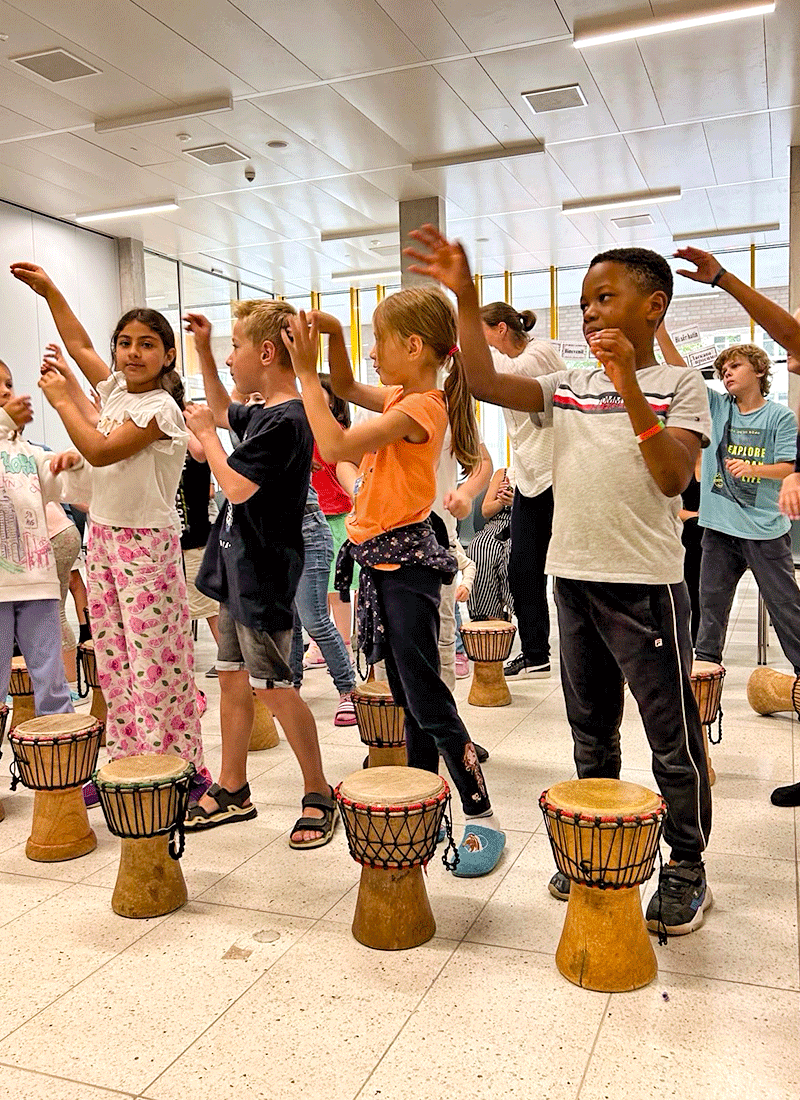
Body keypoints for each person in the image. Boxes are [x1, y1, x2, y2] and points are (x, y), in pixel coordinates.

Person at [406, 227, 713, 933]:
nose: (591, 313)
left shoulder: (679, 384)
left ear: (654, 307)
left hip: (648, 586)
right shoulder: (566, 384)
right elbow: (482, 382)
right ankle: (597, 844)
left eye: (606, 298)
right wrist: (466, 295)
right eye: (583, 303)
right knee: (590, 732)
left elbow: (672, 474)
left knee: (672, 737)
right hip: (572, 579)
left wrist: (631, 382)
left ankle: (688, 865)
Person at [282, 291, 505, 877]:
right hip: (386, 567)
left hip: (406, 572)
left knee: (429, 698)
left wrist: (304, 374)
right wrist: (330, 333)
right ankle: (424, 797)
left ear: (413, 347)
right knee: (409, 698)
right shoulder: (406, 394)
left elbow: (331, 445)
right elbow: (350, 387)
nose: (372, 351)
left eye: (379, 339)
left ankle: (481, 812)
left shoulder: (421, 410)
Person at [10, 262, 209, 798]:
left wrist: (62, 403)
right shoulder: (119, 391)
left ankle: (183, 767)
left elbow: (101, 448)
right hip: (102, 538)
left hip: (146, 543)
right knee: (115, 660)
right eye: (124, 343)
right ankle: (125, 761)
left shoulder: (161, 408)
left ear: (168, 355)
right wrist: (51, 290)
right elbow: (78, 345)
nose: (132, 353)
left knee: (157, 665)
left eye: (147, 344)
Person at [181, 306, 336, 848]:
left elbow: (237, 486)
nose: (230, 356)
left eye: (236, 346)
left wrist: (206, 435)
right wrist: (201, 351)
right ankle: (233, 787)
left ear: (266, 353)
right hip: (235, 567)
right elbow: (224, 409)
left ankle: (318, 791)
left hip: (264, 575)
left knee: (275, 686)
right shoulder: (266, 411)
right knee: (229, 676)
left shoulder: (289, 420)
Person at [481, 303, 564, 678]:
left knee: (569, 575)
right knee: (522, 570)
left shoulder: (540, 352)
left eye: (479, 332)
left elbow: (498, 380)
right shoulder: (504, 364)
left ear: (500, 329)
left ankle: (601, 653)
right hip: (530, 480)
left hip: (560, 477)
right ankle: (536, 655)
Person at [0, 357, 80, 722]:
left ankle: (61, 758)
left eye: (8, 384)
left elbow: (50, 483)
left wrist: (65, 463)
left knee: (52, 681)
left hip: (38, 580)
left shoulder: (24, 448)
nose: (5, 391)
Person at [289, 481, 358, 726]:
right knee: (290, 621)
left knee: (314, 619)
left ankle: (348, 689)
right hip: (274, 531)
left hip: (309, 528)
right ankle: (293, 690)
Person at [176, 436, 220, 676]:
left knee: (208, 605)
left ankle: (229, 658)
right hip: (176, 542)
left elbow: (201, 450)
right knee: (184, 607)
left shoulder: (194, 452)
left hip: (195, 540)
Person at [466, 466, 515, 623]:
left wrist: (517, 502)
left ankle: (517, 608)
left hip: (524, 521)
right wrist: (501, 500)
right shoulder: (502, 474)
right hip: (496, 524)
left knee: (513, 553)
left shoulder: (543, 472)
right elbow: (486, 511)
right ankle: (488, 615)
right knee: (479, 547)